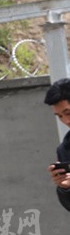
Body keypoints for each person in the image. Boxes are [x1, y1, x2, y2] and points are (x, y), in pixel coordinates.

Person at [44, 78, 70, 211]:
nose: (65, 121)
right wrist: (65, 188)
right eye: (59, 116)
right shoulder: (65, 149)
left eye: (68, 113)